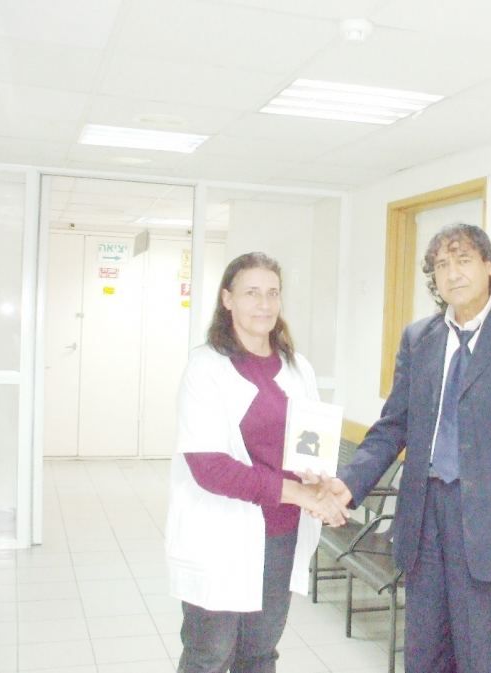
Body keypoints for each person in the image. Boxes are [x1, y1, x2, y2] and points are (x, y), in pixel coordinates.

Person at [327, 224, 491, 673]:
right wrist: (349, 483)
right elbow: (392, 426)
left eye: (464, 260)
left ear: (489, 266)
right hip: (424, 521)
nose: (453, 273)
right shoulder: (420, 338)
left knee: (485, 660)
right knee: (425, 657)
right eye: (442, 265)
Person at [165, 252, 347, 673]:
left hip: (280, 534)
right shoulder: (206, 367)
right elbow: (209, 467)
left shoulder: (298, 368)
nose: (264, 304)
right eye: (251, 293)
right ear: (227, 299)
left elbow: (311, 448)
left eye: (272, 293)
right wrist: (298, 492)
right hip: (220, 534)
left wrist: (321, 486)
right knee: (210, 655)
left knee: (260, 654)